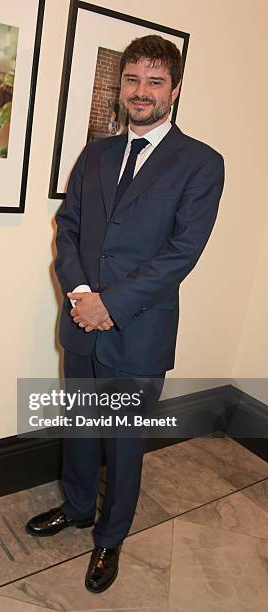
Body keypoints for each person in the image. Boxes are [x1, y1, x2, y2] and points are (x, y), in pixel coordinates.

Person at [26, 35, 225, 593]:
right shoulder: (97, 152)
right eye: (132, 79)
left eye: (154, 81)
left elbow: (181, 253)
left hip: (138, 332)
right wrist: (83, 293)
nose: (141, 91)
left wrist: (109, 306)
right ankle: (79, 507)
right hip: (82, 322)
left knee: (123, 443)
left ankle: (111, 538)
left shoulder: (202, 164)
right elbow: (67, 228)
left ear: (175, 90)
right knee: (84, 427)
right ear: (121, 87)